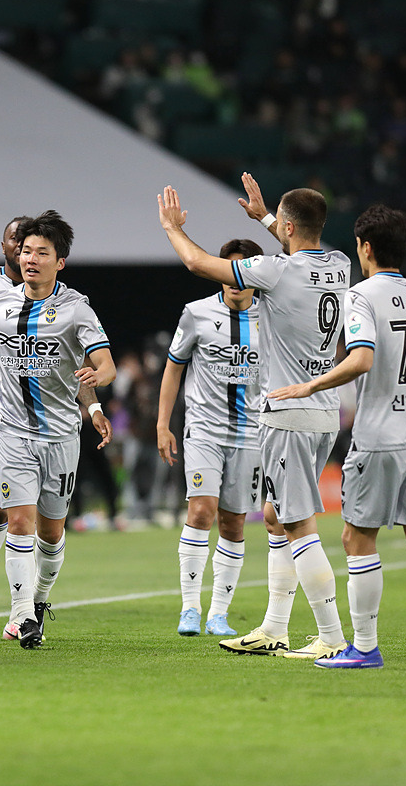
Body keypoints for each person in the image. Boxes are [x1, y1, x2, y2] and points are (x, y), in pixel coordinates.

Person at [269, 204, 406, 671]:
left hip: (381, 435)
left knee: (357, 538)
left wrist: (311, 385)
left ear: (365, 248)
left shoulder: (360, 296)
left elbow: (361, 359)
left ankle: (363, 647)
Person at [158, 175, 349, 661]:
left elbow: (198, 263)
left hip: (287, 413)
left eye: (279, 223)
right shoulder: (340, 264)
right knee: (274, 517)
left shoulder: (275, 271)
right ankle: (273, 627)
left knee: (296, 523)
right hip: (325, 412)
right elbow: (295, 243)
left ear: (288, 226)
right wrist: (265, 217)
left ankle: (331, 636)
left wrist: (173, 228)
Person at [0, 210, 117, 649]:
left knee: (51, 533)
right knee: (18, 521)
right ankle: (22, 615)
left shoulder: (76, 309)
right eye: (26, 251)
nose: (30, 259)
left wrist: (98, 382)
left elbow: (104, 363)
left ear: (60, 262)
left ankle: (40, 598)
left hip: (61, 436)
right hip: (11, 433)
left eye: (41, 253)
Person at [157, 239, 263, 638]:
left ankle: (219, 614)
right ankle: (189, 608)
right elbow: (174, 367)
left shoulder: (272, 316)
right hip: (204, 429)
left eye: (243, 271)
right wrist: (162, 423)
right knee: (202, 511)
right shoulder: (197, 313)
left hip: (252, 433)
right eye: (227, 270)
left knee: (234, 522)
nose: (234, 280)